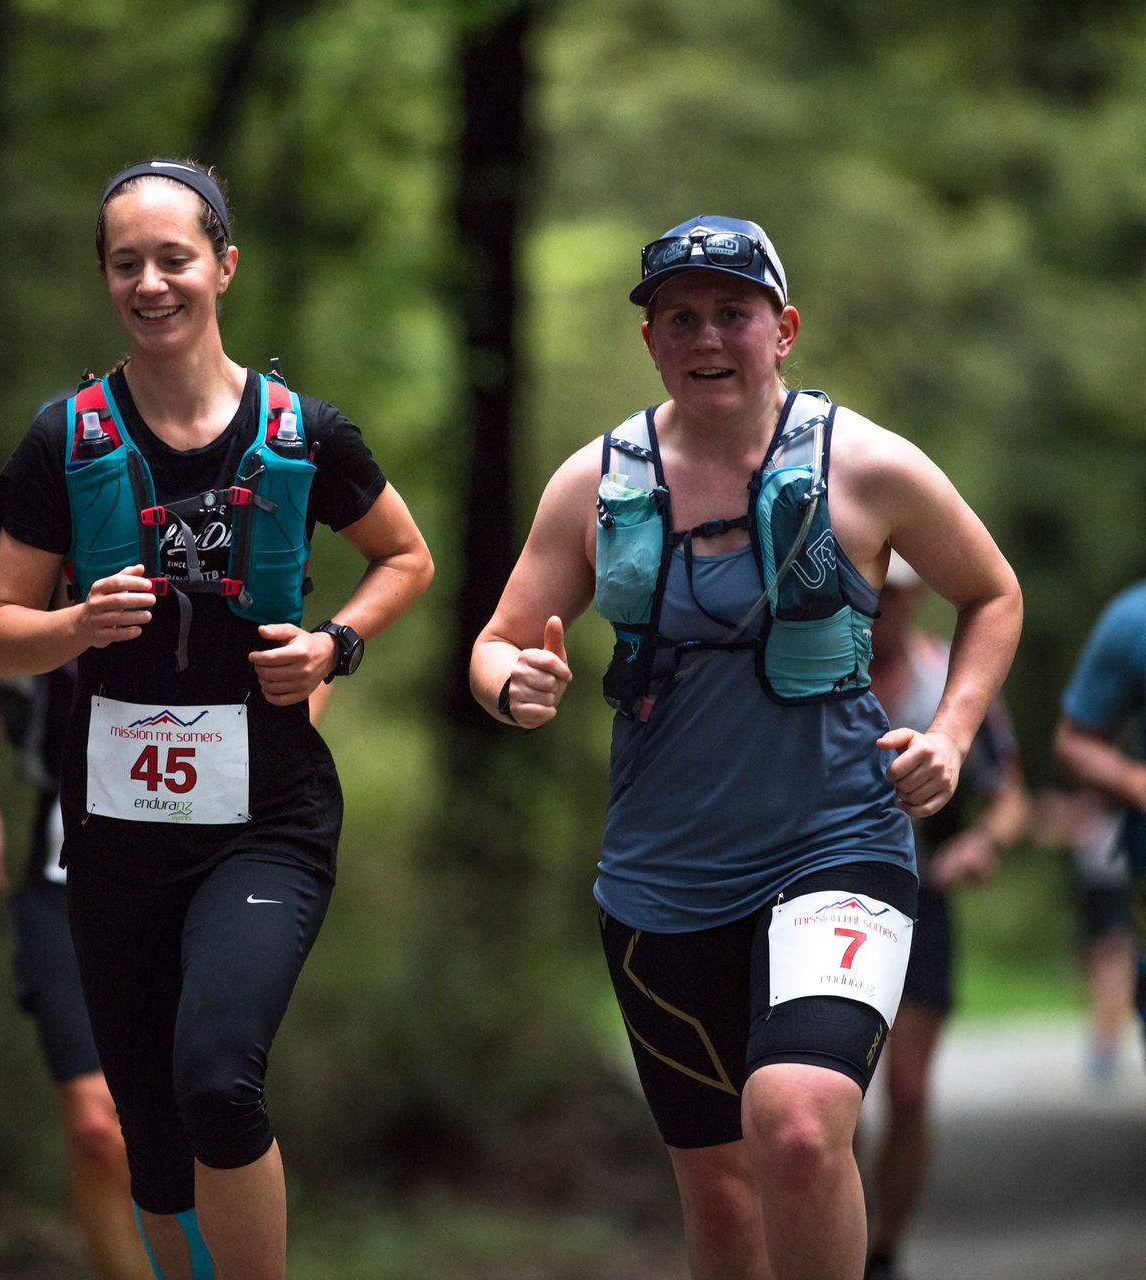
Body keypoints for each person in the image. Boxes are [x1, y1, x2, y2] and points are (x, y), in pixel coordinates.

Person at [469, 216, 1021, 1280]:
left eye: (734, 312)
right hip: (659, 879)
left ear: (784, 329)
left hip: (836, 840)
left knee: (803, 1122)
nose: (707, 335)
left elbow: (992, 591)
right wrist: (513, 684)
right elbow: (495, 642)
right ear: (651, 341)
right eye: (681, 316)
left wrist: (951, 735)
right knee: (721, 1196)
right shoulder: (593, 481)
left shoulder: (867, 463)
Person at [0, 158, 433, 1280]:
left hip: (264, 816)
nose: (151, 282)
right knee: (156, 1152)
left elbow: (405, 557)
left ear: (223, 266)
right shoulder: (63, 438)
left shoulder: (304, 431)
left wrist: (337, 645)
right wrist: (76, 623)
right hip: (116, 831)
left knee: (219, 1076)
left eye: (174, 257)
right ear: (105, 280)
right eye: (126, 263)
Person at [0, 659, 335, 1278]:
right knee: (101, 1129)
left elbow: (307, 673)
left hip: (210, 865)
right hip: (69, 877)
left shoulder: (217, 575)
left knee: (209, 1091)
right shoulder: (35, 593)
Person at [860, 561, 1029, 1280]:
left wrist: (981, 844)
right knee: (829, 1097)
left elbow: (1012, 798)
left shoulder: (950, 684)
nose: (879, 608)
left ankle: (882, 1249)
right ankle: (837, 1240)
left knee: (906, 1090)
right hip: (820, 903)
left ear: (915, 596)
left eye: (893, 595)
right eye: (869, 592)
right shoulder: (810, 680)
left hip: (923, 901)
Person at [1051, 577, 1146, 1065]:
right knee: (1106, 945)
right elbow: (1072, 747)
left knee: (1110, 946)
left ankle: (1105, 1039)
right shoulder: (1132, 621)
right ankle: (1104, 1038)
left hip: (1105, 857)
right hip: (1111, 859)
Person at [1034, 787, 1138, 1083]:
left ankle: (1107, 1043)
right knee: (1093, 959)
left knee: (1111, 956)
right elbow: (1048, 826)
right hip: (1091, 875)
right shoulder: (1077, 774)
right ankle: (1103, 1035)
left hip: (1118, 874)